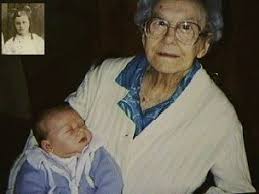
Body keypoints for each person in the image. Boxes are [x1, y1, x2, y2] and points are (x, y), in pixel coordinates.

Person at [65, 0, 256, 193]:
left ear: (203, 46)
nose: (169, 38)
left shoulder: (219, 117)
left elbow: (238, 189)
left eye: (186, 27)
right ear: (144, 33)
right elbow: (45, 136)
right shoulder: (103, 75)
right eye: (160, 23)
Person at [14, 105, 123, 194]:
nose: (81, 131)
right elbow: (27, 188)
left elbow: (112, 180)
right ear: (48, 146)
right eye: (70, 130)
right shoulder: (39, 163)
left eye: (82, 125)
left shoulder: (94, 153)